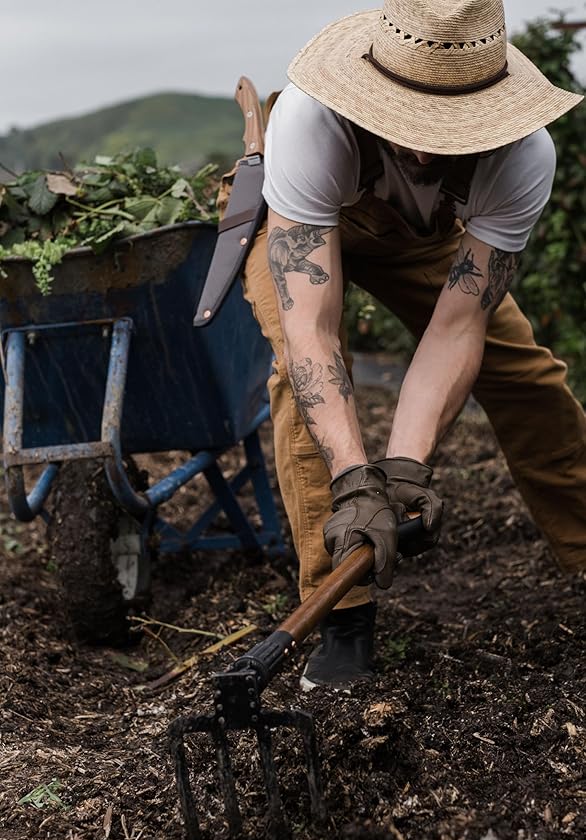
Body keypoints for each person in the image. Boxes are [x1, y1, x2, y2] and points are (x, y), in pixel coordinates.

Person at [239, 0, 585, 690]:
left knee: (529, 377)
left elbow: (457, 325)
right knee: (301, 387)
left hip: (423, 241)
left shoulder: (523, 155)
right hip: (308, 225)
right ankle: (343, 616)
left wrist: (403, 469)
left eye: (452, 132)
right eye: (408, 124)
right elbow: (313, 333)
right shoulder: (310, 123)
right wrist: (355, 480)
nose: (425, 152)